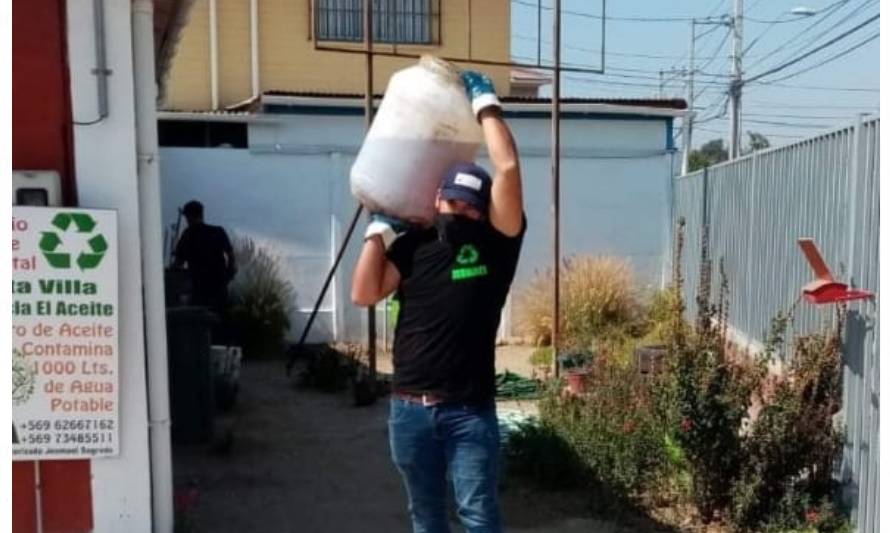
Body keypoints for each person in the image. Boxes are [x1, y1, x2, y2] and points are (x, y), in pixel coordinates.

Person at [352, 71, 525, 533]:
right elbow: (364, 293)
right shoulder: (413, 244)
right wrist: (378, 233)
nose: (462, 212)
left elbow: (506, 168)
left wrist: (485, 103)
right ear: (437, 200)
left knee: (478, 517)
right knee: (425, 518)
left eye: (472, 206)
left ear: (484, 208)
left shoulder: (497, 243)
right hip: (409, 411)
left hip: (469, 411)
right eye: (454, 204)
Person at [172, 200, 237, 320]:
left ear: (189, 216)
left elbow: (178, 264)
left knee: (199, 325)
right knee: (220, 325)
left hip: (199, 291)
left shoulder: (188, 235)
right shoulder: (218, 232)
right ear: (201, 214)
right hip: (219, 290)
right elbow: (231, 255)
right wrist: (228, 274)